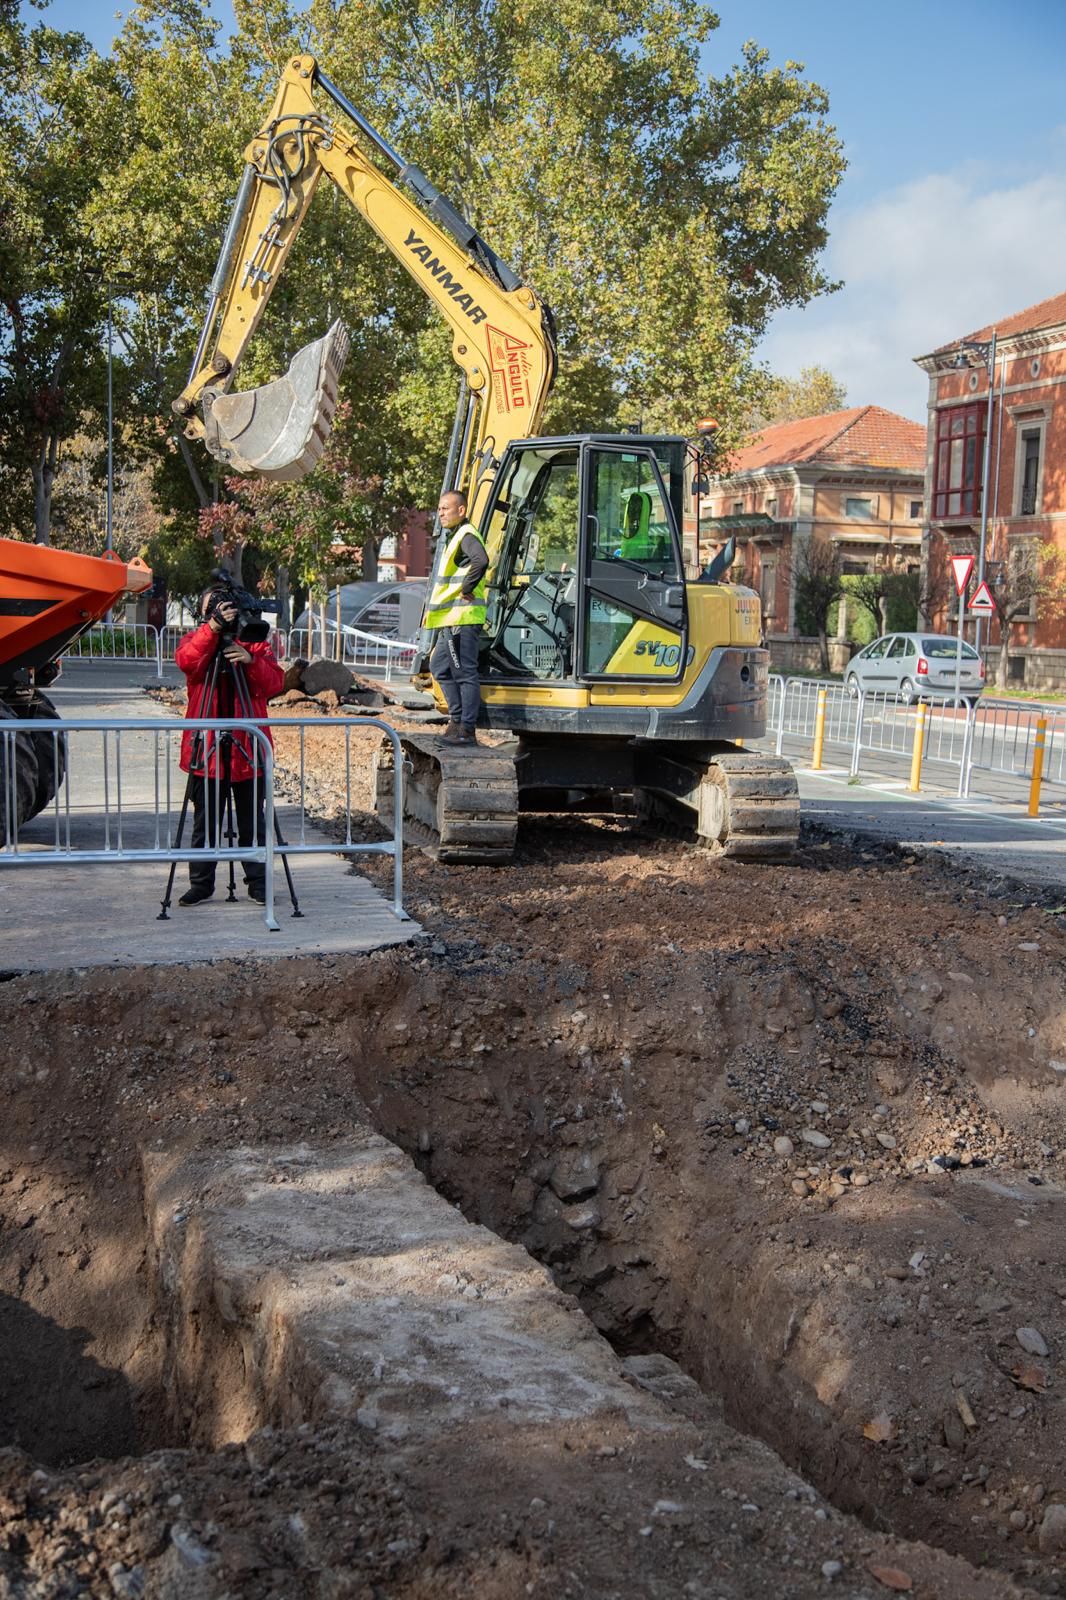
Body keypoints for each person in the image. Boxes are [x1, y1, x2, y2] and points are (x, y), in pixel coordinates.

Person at [174, 588, 284, 905]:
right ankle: (201, 884)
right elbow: (187, 662)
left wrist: (250, 660)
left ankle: (259, 883)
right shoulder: (199, 639)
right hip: (206, 752)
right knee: (204, 825)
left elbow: (275, 684)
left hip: (248, 752)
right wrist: (213, 631)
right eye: (215, 611)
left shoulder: (255, 643)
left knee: (253, 824)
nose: (222, 615)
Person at [425, 489, 489, 746]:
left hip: (462, 618)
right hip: (450, 620)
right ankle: (456, 720)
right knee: (439, 667)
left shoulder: (466, 535)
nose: (440, 512)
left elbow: (481, 560)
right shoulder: (455, 537)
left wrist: (467, 589)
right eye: (439, 508)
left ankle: (467, 729)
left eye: (445, 508)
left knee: (464, 672)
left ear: (461, 511)